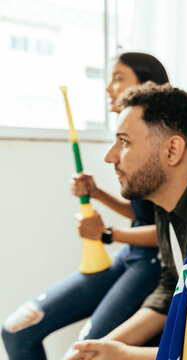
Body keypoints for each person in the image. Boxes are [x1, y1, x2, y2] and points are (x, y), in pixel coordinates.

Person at [1, 52, 169, 360]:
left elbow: (168, 232)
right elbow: (144, 213)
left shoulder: (163, 147)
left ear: (145, 86)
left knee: (81, 355)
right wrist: (98, 193)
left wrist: (107, 234)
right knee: (15, 329)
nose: (108, 89)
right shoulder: (130, 142)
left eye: (118, 79)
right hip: (131, 257)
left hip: (153, 265)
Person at [67, 82, 187, 359]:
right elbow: (169, 289)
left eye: (124, 142)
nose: (109, 157)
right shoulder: (166, 201)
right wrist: (96, 349)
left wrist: (126, 355)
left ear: (172, 151)